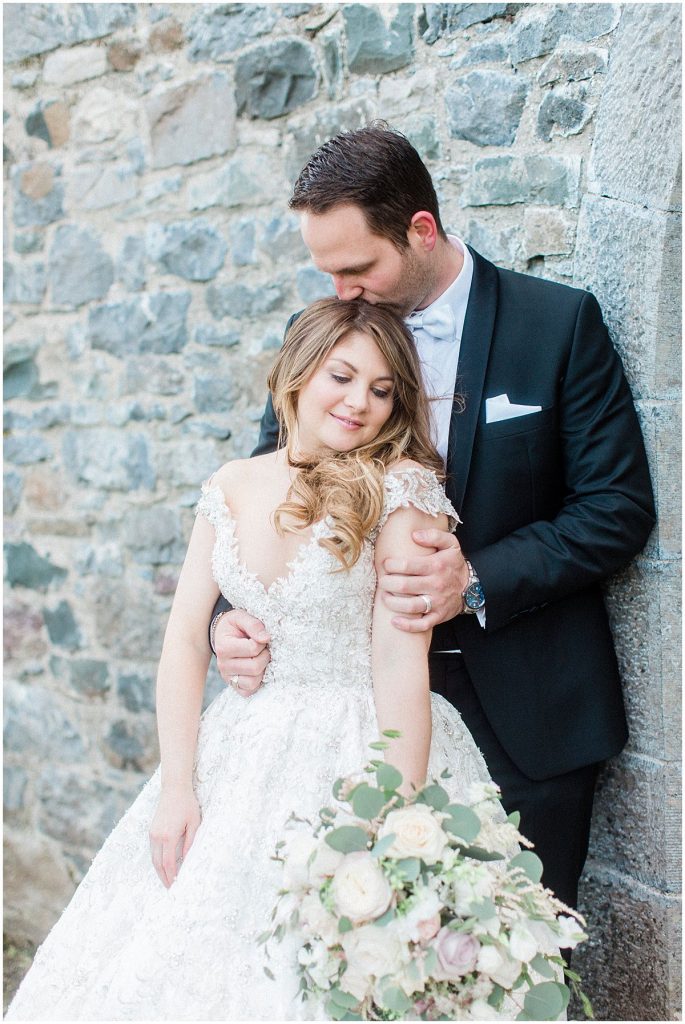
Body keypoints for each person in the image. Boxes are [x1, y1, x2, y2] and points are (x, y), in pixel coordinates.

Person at [7, 298, 519, 1021]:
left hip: (363, 745)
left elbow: (401, 662)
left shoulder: (401, 491)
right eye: (342, 376)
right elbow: (185, 638)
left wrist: (396, 826)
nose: (359, 403)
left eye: (380, 390)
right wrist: (177, 788)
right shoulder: (230, 485)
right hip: (240, 748)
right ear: (296, 374)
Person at [209, 124, 656, 912]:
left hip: (524, 714)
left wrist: (475, 578)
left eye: (357, 267)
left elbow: (615, 508)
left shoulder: (556, 325)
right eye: (327, 271)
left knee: (511, 965)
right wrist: (230, 615)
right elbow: (265, 493)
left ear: (419, 230)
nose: (341, 291)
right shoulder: (319, 338)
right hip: (354, 716)